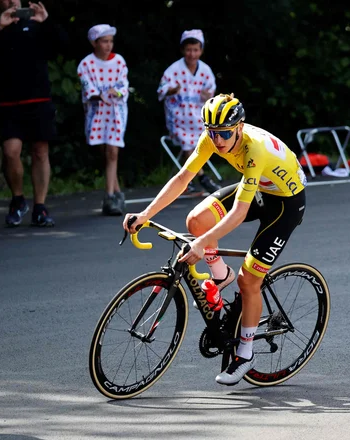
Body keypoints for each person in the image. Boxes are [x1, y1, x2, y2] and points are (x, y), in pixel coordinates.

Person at [123, 93, 307, 385]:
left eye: (223, 134)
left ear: (239, 127)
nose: (217, 140)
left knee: (249, 281)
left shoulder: (253, 149)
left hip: (286, 203)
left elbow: (237, 214)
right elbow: (184, 178)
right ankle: (221, 276)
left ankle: (245, 354)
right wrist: (146, 213)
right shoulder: (212, 136)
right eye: (212, 132)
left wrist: (201, 244)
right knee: (196, 220)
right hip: (262, 187)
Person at [0, 0, 67, 227]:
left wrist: (47, 22)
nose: (11, 1)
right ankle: (18, 199)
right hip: (9, 103)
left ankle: (40, 207)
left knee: (41, 151)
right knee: (11, 151)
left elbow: (63, 46)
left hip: (39, 100)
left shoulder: (37, 24)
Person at [157, 29, 219, 195]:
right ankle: (203, 177)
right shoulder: (173, 69)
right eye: (189, 50)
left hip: (198, 119)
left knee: (203, 141)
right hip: (178, 119)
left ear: (201, 50)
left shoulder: (205, 71)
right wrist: (171, 90)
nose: (192, 54)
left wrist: (208, 96)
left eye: (196, 50)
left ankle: (186, 180)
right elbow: (161, 90)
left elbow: (211, 94)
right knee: (187, 143)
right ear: (183, 50)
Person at [77, 24, 129, 216]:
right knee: (105, 153)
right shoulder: (85, 65)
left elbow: (123, 86)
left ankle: (109, 197)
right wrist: (101, 95)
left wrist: (114, 92)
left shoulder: (119, 62)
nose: (108, 45)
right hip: (96, 113)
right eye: (104, 41)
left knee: (113, 152)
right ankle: (117, 191)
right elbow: (88, 89)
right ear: (94, 43)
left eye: (110, 41)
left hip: (116, 112)